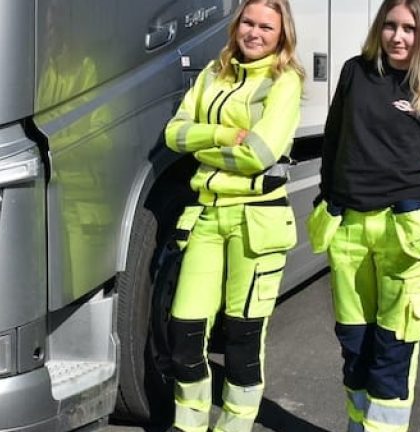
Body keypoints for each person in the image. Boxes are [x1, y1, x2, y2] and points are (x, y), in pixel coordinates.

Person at [309, 0, 420, 431]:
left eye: (410, 29)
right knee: (355, 347)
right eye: (391, 26)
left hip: (405, 235)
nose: (398, 37)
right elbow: (333, 142)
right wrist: (327, 197)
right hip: (350, 232)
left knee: (392, 353)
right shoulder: (354, 73)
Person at [163, 1, 304, 431]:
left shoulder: (285, 81)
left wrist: (201, 145)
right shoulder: (212, 74)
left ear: (281, 35)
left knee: (242, 342)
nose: (255, 32)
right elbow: (173, 134)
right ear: (236, 24)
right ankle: (189, 426)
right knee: (183, 333)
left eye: (266, 26)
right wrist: (225, 134)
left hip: (257, 223)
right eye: (248, 21)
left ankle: (234, 427)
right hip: (207, 217)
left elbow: (260, 154)